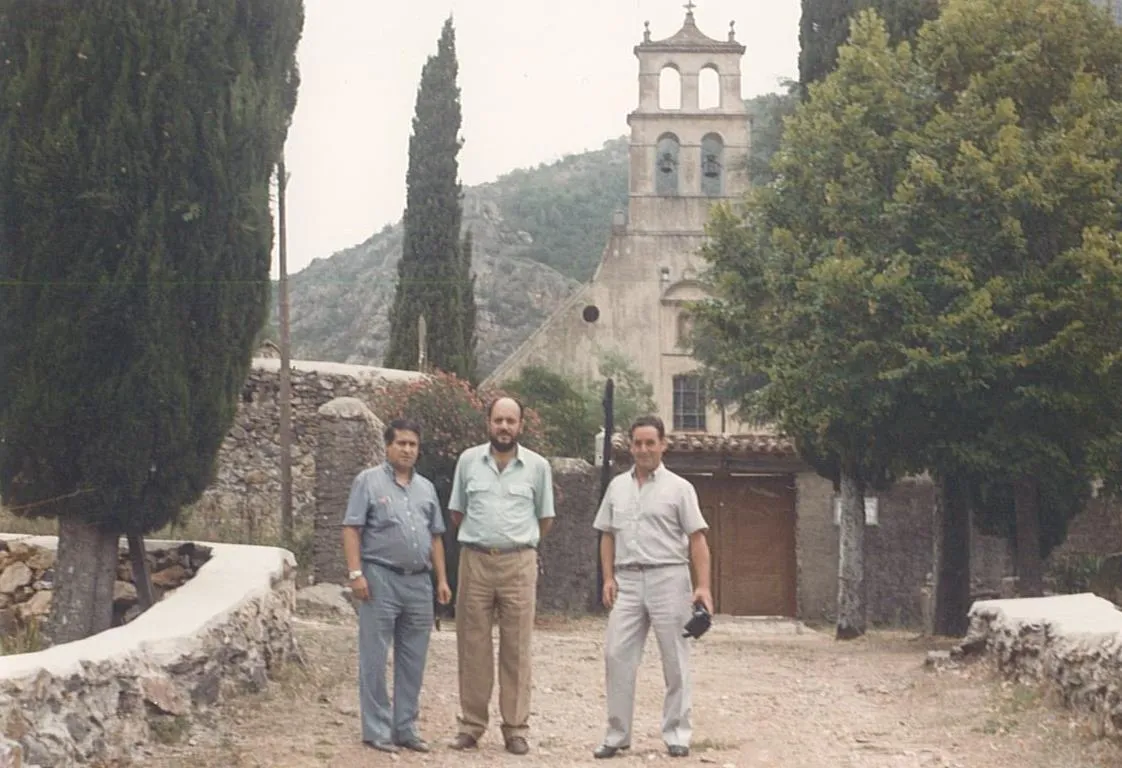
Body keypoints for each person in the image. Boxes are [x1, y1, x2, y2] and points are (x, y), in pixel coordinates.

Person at [591, 415, 713, 759]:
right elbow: (606, 534)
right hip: (627, 579)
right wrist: (609, 577)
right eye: (638, 443)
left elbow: (697, 539)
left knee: (675, 657)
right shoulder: (617, 486)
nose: (643, 449)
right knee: (616, 654)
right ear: (630, 446)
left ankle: (677, 734)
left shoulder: (679, 488)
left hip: (669, 576)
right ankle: (617, 734)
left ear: (663, 445)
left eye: (650, 443)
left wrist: (703, 587)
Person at [447, 396, 556, 755]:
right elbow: (458, 512)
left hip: (518, 564)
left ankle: (515, 728)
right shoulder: (468, 462)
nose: (504, 427)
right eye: (498, 420)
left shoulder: (538, 467)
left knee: (517, 647)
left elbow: (545, 518)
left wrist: (515, 543)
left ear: (520, 426)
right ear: (488, 423)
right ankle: (472, 725)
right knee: (472, 645)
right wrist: (486, 539)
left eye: (511, 421)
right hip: (475, 561)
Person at [341, 418, 452, 754]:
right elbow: (351, 529)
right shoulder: (368, 482)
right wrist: (355, 574)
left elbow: (436, 536)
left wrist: (442, 580)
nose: (407, 449)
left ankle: (405, 727)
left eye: (413, 444)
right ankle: (376, 729)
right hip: (380, 578)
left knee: (413, 658)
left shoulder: (426, 488)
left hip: (418, 582)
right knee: (374, 656)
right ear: (388, 446)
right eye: (401, 443)